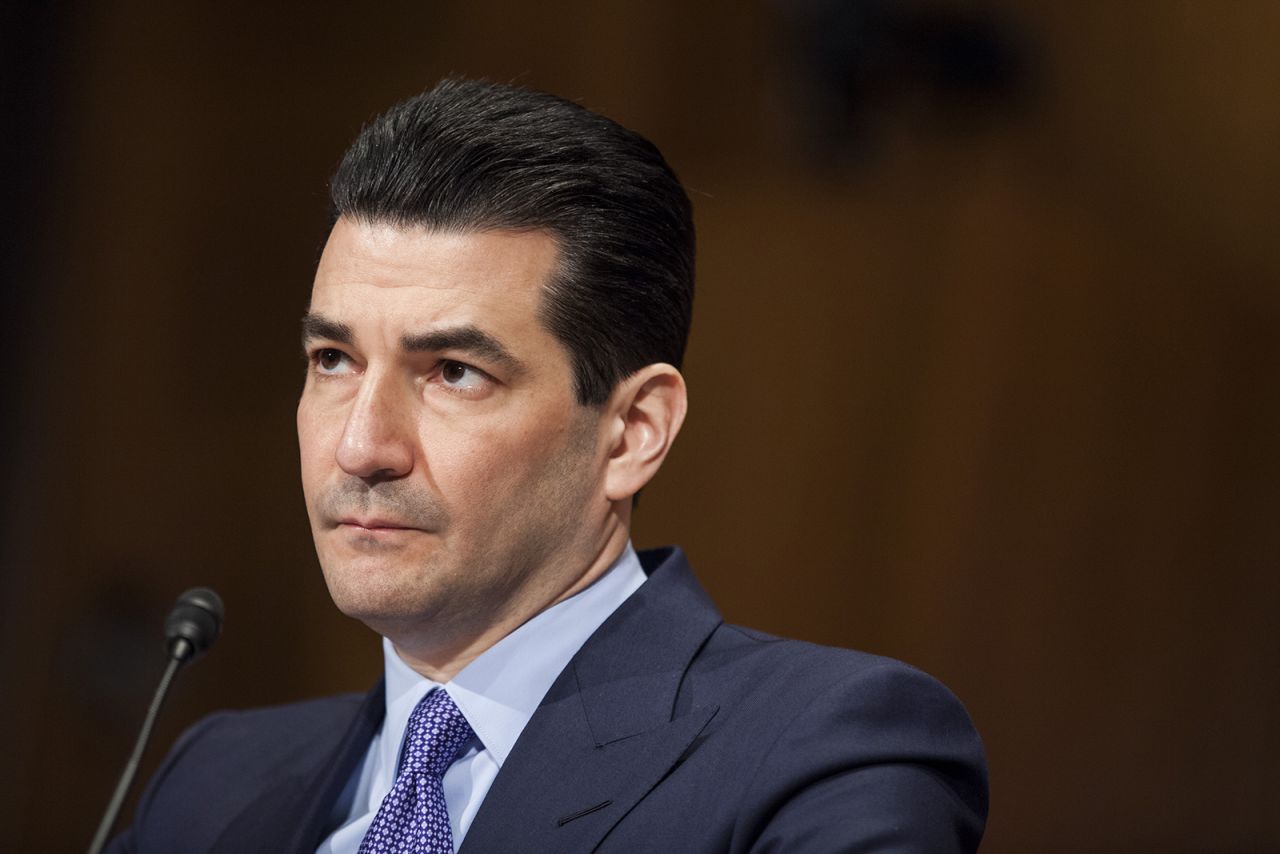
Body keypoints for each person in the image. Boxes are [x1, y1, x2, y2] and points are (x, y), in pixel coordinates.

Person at [108, 78, 987, 854]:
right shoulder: (212, 783)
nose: (361, 447)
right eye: (333, 360)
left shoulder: (824, 755)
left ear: (632, 432)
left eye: (455, 373)